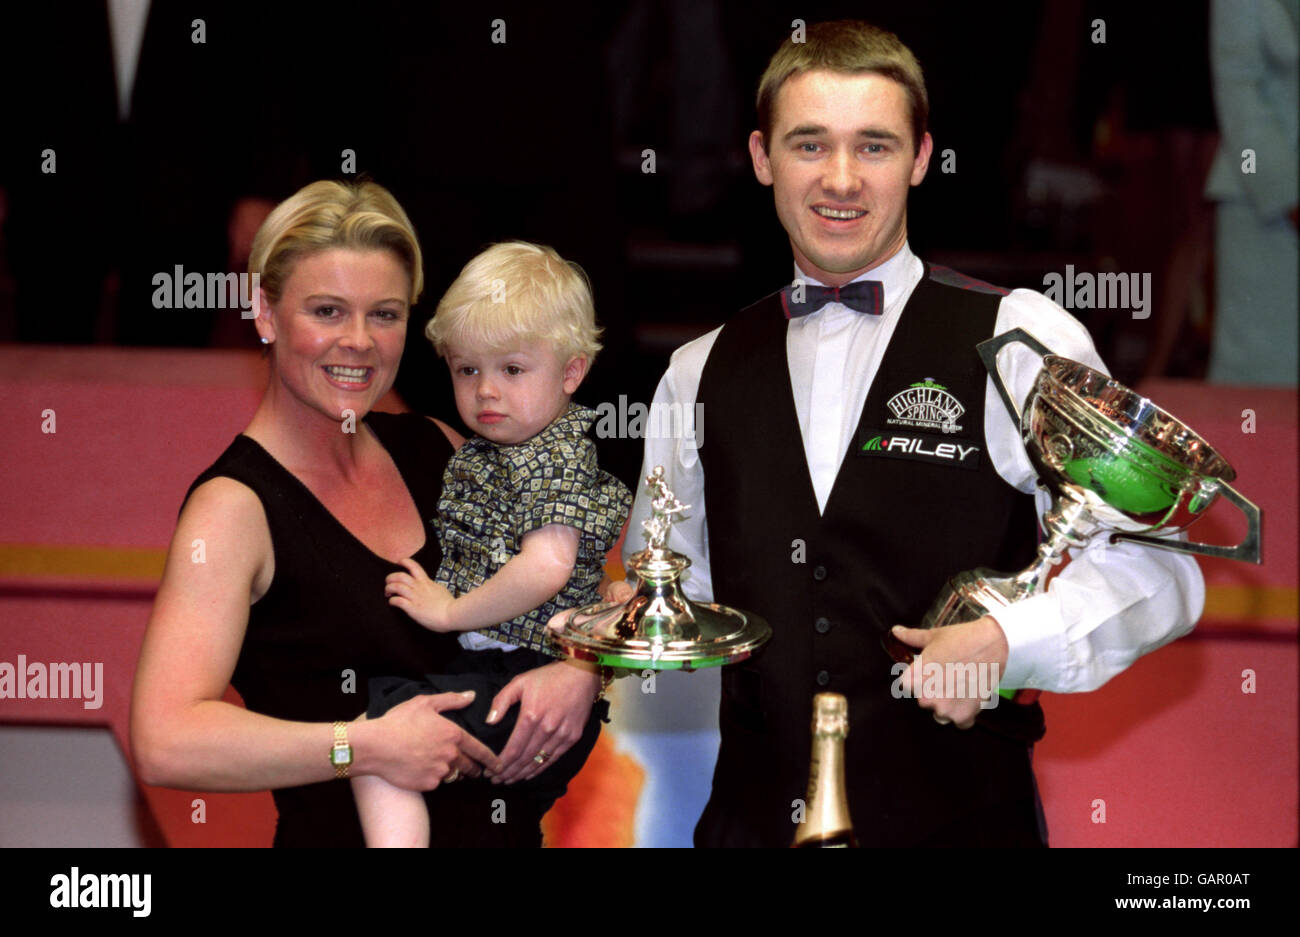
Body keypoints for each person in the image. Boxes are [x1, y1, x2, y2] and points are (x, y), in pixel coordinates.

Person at [627, 21, 1205, 847]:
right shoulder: (695, 370)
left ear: (922, 157)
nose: (840, 179)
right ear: (760, 159)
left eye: (874, 146)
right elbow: (685, 591)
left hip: (962, 824)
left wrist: (1011, 639)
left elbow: (1163, 566)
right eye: (808, 145)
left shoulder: (1017, 338)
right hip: (752, 823)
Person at [130, 180, 610, 847]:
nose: (358, 341)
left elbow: (578, 583)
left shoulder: (441, 448)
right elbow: (166, 738)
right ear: (264, 312)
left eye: (384, 314)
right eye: (327, 311)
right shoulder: (234, 509)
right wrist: (362, 746)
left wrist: (581, 668)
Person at [351, 241, 633, 847]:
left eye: (511, 370)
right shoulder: (495, 454)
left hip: (525, 674)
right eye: (467, 369)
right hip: (501, 670)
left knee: (378, 737)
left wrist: (448, 610)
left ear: (571, 372)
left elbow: (547, 568)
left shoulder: (550, 459)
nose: (485, 391)